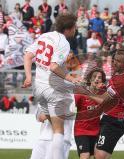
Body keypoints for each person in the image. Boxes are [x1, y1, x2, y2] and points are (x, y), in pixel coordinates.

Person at [22, 13, 79, 159]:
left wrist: (28, 77)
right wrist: (70, 78)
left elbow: (28, 55)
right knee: (59, 130)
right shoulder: (64, 42)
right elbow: (54, 67)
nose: (75, 29)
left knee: (50, 126)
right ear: (69, 28)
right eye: (75, 27)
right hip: (53, 88)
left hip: (39, 88)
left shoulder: (44, 36)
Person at [75, 49, 124, 159]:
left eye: (118, 61)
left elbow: (102, 100)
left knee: (99, 155)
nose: (114, 63)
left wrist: (85, 91)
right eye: (114, 60)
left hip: (112, 121)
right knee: (103, 155)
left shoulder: (120, 80)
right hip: (116, 119)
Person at [74, 68, 106, 159]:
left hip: (96, 132)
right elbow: (70, 106)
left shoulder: (103, 94)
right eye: (94, 77)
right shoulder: (81, 93)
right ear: (90, 79)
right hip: (81, 131)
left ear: (102, 81)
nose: (97, 79)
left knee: (98, 156)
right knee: (85, 156)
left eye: (99, 77)